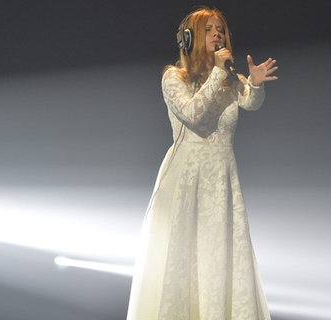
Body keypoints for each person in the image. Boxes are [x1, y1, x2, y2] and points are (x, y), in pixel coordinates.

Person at [126, 7, 278, 320]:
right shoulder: (174, 77)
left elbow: (250, 101)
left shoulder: (229, 79)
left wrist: (257, 84)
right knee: (185, 260)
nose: (218, 34)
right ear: (191, 37)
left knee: (220, 257)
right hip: (188, 178)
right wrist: (220, 74)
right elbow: (194, 114)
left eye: (221, 29)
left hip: (222, 176)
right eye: (209, 29)